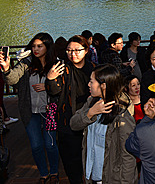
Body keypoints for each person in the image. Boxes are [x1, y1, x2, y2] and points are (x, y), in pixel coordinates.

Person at [0, 33, 60, 184]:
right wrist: (7, 69)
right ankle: (43, 174)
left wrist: (47, 85)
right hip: (30, 111)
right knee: (36, 145)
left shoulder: (56, 64)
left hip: (49, 110)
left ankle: (54, 173)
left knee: (50, 144)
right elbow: (13, 79)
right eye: (33, 46)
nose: (35, 49)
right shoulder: (26, 63)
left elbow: (62, 86)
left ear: (48, 46)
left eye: (40, 46)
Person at [70, 64, 137, 184]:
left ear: (104, 85)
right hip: (91, 173)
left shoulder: (121, 115)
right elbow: (74, 124)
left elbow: (128, 157)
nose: (88, 84)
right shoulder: (92, 102)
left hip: (110, 177)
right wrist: (90, 113)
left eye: (92, 81)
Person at [46, 35, 94, 184]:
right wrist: (50, 79)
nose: (72, 54)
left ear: (86, 50)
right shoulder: (62, 69)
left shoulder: (93, 69)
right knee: (72, 164)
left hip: (90, 122)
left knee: (91, 162)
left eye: (77, 50)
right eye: (69, 51)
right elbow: (53, 92)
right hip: (68, 123)